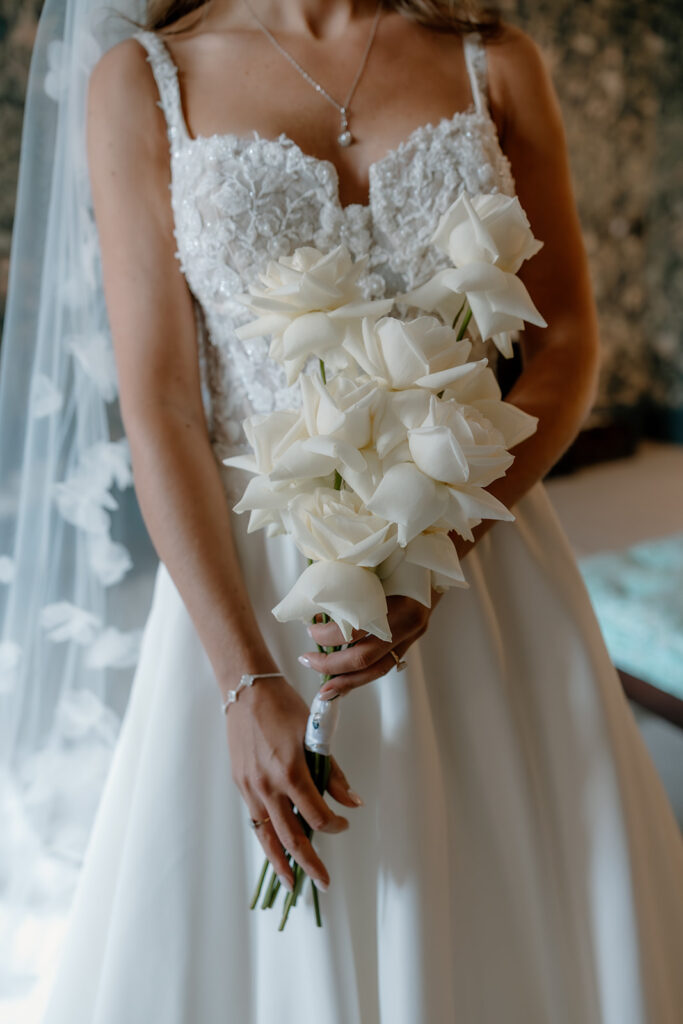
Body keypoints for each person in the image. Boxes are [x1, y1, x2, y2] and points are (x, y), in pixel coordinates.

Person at [1, 0, 680, 1021]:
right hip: (260, 595)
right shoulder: (143, 83)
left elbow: (566, 345)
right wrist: (243, 683)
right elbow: (163, 405)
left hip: (475, 559)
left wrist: (441, 532)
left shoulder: (493, 63)